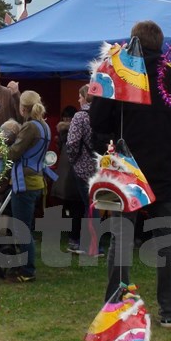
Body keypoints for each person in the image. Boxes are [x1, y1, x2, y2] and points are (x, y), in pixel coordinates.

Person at [89, 20, 171, 328]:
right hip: (165, 165)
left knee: (121, 240)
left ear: (133, 42)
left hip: (127, 168)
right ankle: (169, 310)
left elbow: (97, 120)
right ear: (161, 44)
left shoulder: (118, 71)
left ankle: (116, 306)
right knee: (167, 240)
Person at [4, 90, 54, 283]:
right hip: (37, 180)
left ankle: (27, 270)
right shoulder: (45, 127)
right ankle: (24, 264)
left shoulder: (30, 127)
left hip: (24, 182)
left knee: (22, 229)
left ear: (22, 108)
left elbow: (14, 153)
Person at [66, 83, 101, 255]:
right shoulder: (104, 115)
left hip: (83, 166)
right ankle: (96, 244)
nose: (78, 99)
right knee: (96, 204)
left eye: (80, 96)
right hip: (102, 165)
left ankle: (90, 246)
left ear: (85, 96)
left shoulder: (80, 116)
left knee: (90, 206)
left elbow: (72, 142)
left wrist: (72, 160)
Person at [51, 105, 84, 252]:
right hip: (74, 174)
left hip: (63, 176)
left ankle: (70, 236)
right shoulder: (76, 132)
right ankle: (75, 238)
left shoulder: (61, 135)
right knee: (78, 208)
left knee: (70, 207)